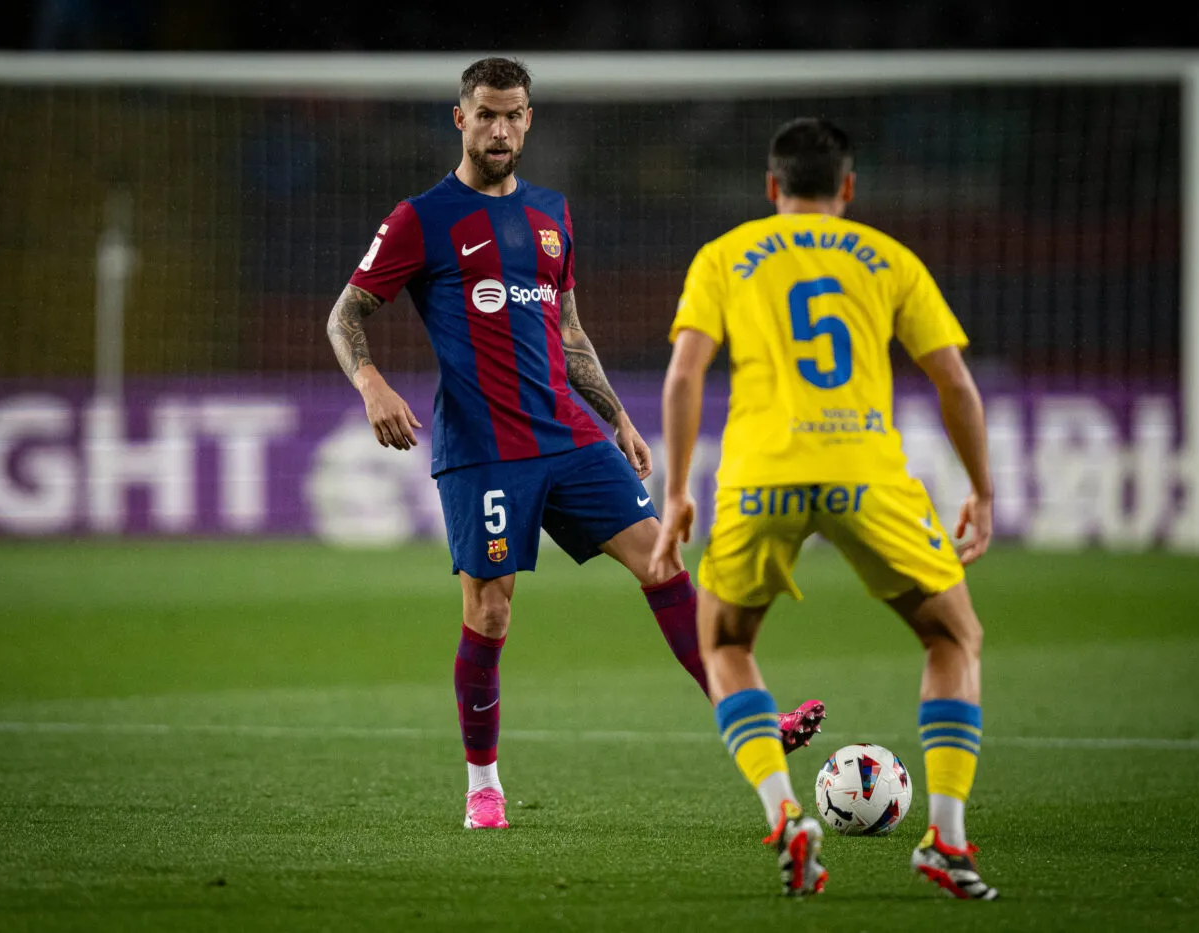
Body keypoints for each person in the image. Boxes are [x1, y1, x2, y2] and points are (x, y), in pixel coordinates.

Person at [326, 58, 826, 832]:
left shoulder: (552, 215)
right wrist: (370, 383)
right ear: (460, 119)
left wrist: (619, 418)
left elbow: (568, 329)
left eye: (514, 114)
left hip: (570, 435)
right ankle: (482, 783)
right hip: (483, 449)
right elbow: (346, 314)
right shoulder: (421, 217)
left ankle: (754, 721)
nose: (500, 128)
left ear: (530, 120)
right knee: (491, 614)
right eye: (486, 114)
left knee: (662, 555)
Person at [649, 117, 998, 900]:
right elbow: (954, 383)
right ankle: (947, 839)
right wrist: (981, 487)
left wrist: (675, 495)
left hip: (760, 474)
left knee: (727, 642)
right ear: (848, 189)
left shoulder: (727, 255)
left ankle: (785, 817)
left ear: (772, 188)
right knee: (953, 635)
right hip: (866, 472)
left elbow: (681, 379)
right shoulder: (889, 258)